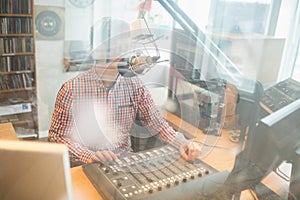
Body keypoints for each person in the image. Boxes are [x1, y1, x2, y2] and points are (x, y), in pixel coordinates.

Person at [48, 18, 200, 165]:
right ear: (99, 49)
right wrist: (89, 156)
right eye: (118, 44)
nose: (127, 51)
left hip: (124, 162)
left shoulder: (135, 86)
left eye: (127, 44)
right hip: (87, 164)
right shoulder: (71, 89)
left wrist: (182, 142)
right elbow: (57, 137)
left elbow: (157, 124)